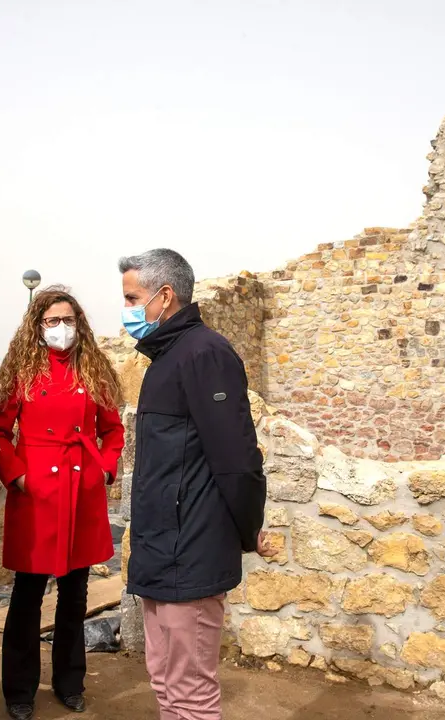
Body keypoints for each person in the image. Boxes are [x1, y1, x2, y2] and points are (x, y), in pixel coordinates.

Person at [118, 249, 272, 720]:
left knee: (191, 693)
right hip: (162, 553)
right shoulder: (167, 358)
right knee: (166, 681)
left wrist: (248, 532)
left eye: (132, 298)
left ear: (165, 297)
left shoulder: (205, 354)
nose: (126, 310)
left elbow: (237, 459)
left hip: (190, 553)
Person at [0, 286, 125, 720]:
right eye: (52, 321)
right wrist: (19, 477)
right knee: (27, 596)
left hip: (81, 490)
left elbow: (113, 429)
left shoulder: (94, 372)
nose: (61, 328)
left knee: (75, 595)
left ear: (79, 323)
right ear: (37, 326)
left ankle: (70, 682)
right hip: (36, 496)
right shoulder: (19, 374)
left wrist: (105, 468)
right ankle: (20, 690)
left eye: (68, 319)